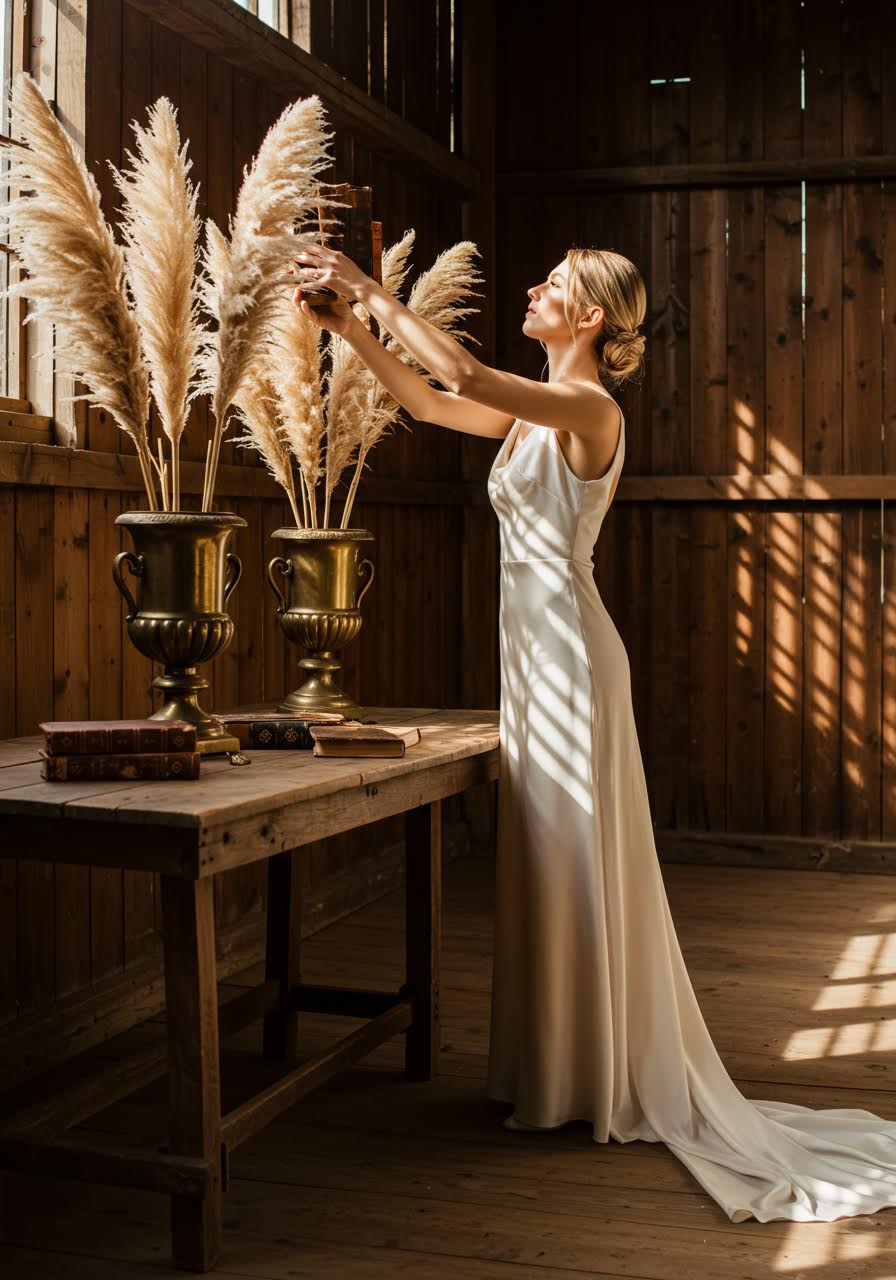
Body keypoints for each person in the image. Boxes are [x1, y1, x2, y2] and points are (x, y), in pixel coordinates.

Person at [291, 241, 896, 1224]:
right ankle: (566, 1075)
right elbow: (436, 403)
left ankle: (598, 1076)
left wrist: (371, 288)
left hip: (571, 660)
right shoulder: (532, 410)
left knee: (572, 855)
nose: (530, 291)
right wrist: (352, 331)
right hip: (535, 664)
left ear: (590, 321)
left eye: (550, 286)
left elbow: (466, 375)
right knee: (544, 859)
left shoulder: (588, 409)